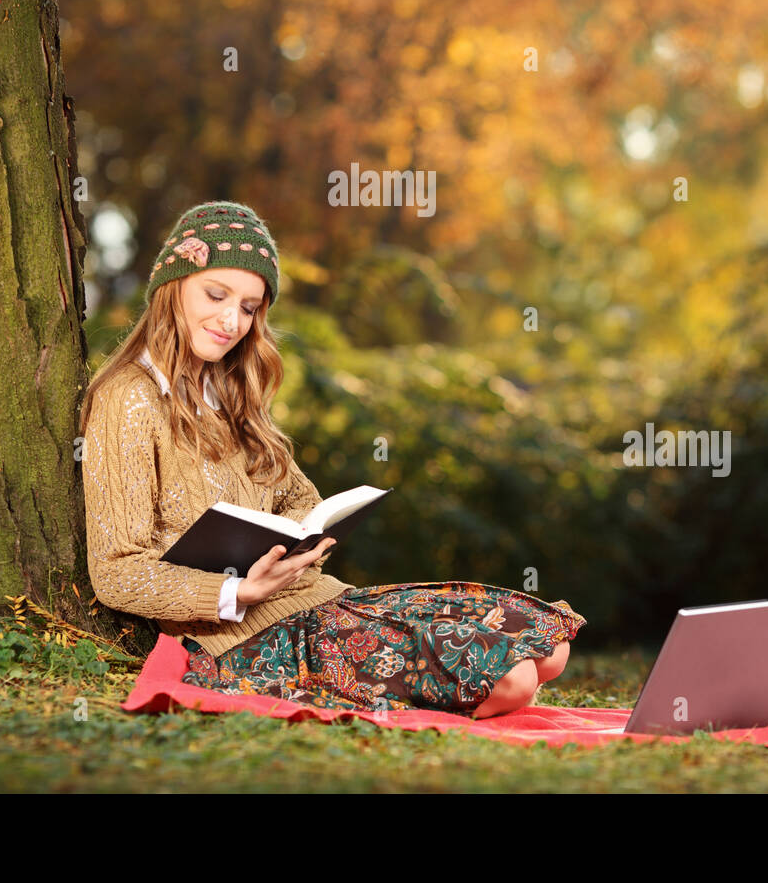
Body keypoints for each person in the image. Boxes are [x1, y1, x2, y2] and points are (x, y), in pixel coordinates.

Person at [79, 200, 585, 716]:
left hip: (318, 599)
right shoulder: (128, 398)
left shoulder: (228, 392)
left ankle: (445, 686)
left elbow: (300, 497)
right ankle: (446, 700)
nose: (232, 320)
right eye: (216, 294)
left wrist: (295, 550)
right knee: (516, 678)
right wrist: (239, 590)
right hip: (242, 640)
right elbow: (118, 572)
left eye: (250, 307)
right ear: (172, 287)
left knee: (549, 645)